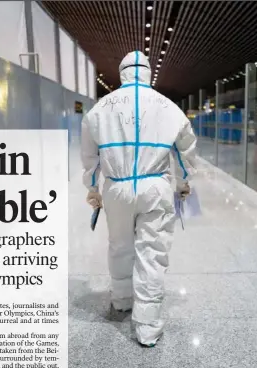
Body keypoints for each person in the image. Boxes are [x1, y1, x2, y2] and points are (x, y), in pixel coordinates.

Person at [80, 51, 198, 347]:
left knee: (119, 246)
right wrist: (183, 184)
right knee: (152, 253)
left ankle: (121, 300)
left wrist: (93, 189)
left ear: (122, 73)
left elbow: (90, 158)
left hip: (116, 187)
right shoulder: (169, 108)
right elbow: (186, 152)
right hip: (155, 188)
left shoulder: (99, 109)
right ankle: (147, 326)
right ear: (146, 73)